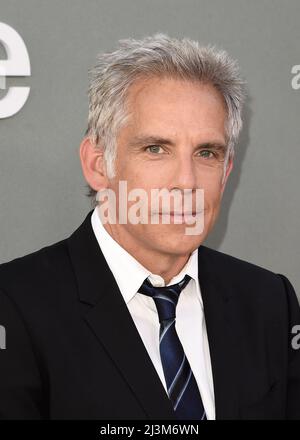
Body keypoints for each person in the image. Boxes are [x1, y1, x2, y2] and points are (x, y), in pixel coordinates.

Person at [0, 33, 299, 420]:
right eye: (156, 149)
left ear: (226, 173)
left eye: (207, 153)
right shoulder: (14, 306)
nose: (187, 182)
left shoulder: (269, 302)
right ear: (97, 164)